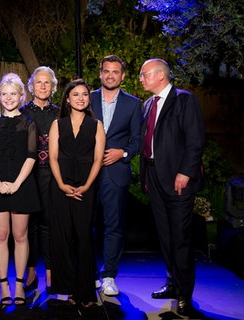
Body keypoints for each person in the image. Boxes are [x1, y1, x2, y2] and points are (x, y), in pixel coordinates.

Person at [139, 58, 205, 316]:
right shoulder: (148, 104)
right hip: (154, 177)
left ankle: (185, 295)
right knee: (165, 236)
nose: (141, 79)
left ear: (160, 76)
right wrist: (146, 175)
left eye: (145, 74)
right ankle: (173, 283)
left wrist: (186, 172)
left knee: (180, 238)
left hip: (178, 179)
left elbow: (195, 139)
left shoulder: (184, 100)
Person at [0, 73, 39, 305]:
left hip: (22, 185)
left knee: (20, 236)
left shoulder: (28, 124)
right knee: (1, 235)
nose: (8, 98)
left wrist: (16, 183)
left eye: (13, 93)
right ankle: (4, 286)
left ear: (21, 95)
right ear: (0, 96)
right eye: (4, 94)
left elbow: (31, 156)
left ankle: (19, 285)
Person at [48, 78, 105, 308]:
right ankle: (70, 289)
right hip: (60, 186)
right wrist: (61, 184)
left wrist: (86, 186)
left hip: (86, 186)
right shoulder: (57, 124)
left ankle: (86, 292)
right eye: (75, 95)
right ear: (68, 100)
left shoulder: (96, 125)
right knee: (64, 237)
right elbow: (52, 157)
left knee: (83, 237)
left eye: (84, 94)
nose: (80, 98)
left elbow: (98, 159)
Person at [90, 55, 142, 296]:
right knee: (86, 225)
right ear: (100, 74)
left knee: (114, 226)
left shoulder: (133, 104)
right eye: (106, 71)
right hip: (86, 173)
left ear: (122, 76)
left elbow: (138, 140)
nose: (110, 75)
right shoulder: (86, 98)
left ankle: (109, 275)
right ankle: (88, 273)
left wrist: (123, 153)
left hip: (115, 173)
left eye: (115, 72)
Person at [20, 66, 59, 293]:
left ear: (52, 87)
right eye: (39, 82)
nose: (43, 86)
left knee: (49, 224)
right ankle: (31, 270)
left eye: (47, 83)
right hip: (28, 175)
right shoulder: (23, 112)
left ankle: (51, 272)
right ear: (31, 86)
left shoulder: (59, 113)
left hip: (52, 175)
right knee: (30, 225)